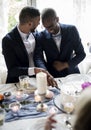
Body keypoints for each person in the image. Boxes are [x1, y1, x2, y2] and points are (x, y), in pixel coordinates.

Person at [2, 6, 57, 87]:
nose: (39, 23)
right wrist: (34, 70)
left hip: (37, 79)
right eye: (38, 21)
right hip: (18, 82)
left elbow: (38, 57)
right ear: (30, 24)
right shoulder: (8, 40)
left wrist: (44, 72)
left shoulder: (36, 34)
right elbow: (12, 70)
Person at [34, 8, 86, 78]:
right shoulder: (41, 36)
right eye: (46, 28)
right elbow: (38, 58)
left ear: (57, 19)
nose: (49, 30)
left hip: (72, 74)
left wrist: (65, 65)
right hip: (52, 75)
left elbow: (81, 54)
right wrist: (45, 72)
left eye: (51, 26)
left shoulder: (71, 30)